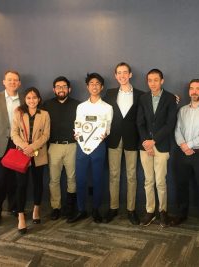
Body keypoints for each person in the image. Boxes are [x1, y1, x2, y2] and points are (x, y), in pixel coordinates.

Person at [67, 73, 113, 224]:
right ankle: (81, 209)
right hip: (81, 147)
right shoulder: (81, 107)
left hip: (98, 146)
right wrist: (78, 135)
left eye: (97, 83)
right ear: (87, 87)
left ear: (102, 87)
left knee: (98, 179)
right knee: (80, 179)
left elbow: (108, 128)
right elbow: (77, 125)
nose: (94, 86)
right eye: (91, 83)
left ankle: (96, 209)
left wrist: (102, 134)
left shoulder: (108, 107)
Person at [171, 79, 199, 232]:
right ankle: (181, 214)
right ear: (189, 91)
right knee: (181, 186)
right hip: (182, 154)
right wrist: (183, 146)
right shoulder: (182, 110)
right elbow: (177, 130)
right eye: (192, 88)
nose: (194, 91)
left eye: (198, 89)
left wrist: (188, 146)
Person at [103, 62, 143, 225]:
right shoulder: (109, 93)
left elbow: (152, 106)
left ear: (130, 74)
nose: (122, 75)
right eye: (119, 73)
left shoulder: (141, 95)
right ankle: (113, 208)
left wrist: (172, 98)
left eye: (125, 72)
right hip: (113, 139)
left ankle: (131, 210)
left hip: (132, 139)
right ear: (115, 76)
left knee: (132, 176)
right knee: (113, 175)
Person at [137, 68, 177, 227]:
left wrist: (153, 141)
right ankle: (150, 211)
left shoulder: (170, 98)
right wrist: (146, 142)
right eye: (150, 80)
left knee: (160, 181)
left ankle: (163, 212)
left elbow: (170, 124)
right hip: (145, 147)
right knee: (148, 181)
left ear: (162, 81)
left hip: (161, 146)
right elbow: (139, 122)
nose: (152, 83)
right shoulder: (143, 98)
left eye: (156, 80)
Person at [11, 87, 50, 234]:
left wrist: (32, 147)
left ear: (39, 99)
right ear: (25, 99)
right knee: (21, 185)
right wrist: (25, 147)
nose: (32, 100)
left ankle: (36, 209)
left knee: (38, 183)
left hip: (38, 154)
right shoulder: (18, 112)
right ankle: (21, 216)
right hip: (22, 153)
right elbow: (14, 133)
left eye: (34, 97)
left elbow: (46, 135)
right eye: (29, 98)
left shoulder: (45, 114)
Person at [0, 70, 23, 226]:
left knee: (15, 179)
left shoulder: (25, 99)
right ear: (4, 82)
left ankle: (14, 208)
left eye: (15, 80)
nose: (12, 82)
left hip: (18, 144)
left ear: (19, 83)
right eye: (9, 80)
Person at [43, 76, 79, 220]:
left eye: (64, 86)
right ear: (54, 89)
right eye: (58, 86)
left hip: (72, 146)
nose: (61, 89)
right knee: (54, 180)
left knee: (72, 178)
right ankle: (56, 207)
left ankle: (70, 207)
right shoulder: (46, 105)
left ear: (69, 89)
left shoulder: (78, 105)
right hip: (53, 146)